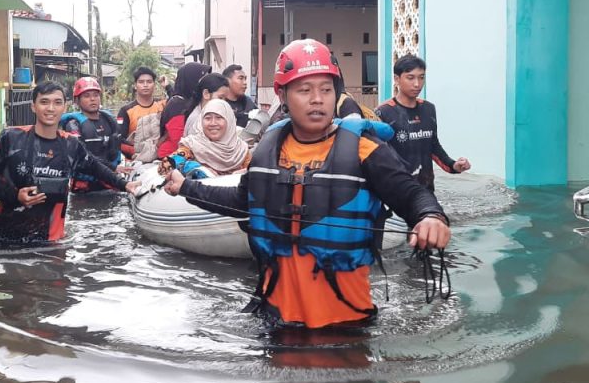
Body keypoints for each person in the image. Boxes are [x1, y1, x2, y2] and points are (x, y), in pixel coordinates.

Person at [164, 39, 450, 329]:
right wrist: (185, 187)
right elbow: (241, 199)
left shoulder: (365, 150)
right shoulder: (266, 152)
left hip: (346, 328)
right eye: (305, 90)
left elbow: (411, 194)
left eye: (326, 90)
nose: (317, 99)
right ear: (283, 95)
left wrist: (431, 217)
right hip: (275, 324)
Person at [0, 81, 139, 245]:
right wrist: (15, 196)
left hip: (51, 241)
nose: (50, 108)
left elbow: (94, 166)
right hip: (4, 238)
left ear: (64, 107)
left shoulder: (70, 144)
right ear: (33, 106)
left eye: (57, 103)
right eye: (44, 102)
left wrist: (125, 184)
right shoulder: (11, 137)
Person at [375, 54, 471, 192]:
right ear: (397, 79)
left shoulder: (428, 109)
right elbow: (376, 158)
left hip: (426, 191)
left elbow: (433, 147)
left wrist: (454, 165)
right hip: (396, 193)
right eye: (410, 77)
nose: (417, 84)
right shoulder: (383, 112)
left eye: (421, 77)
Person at [59, 77, 130, 193]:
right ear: (77, 101)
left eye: (96, 95)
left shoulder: (108, 119)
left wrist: (139, 152)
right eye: (87, 96)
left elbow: (120, 142)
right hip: (86, 188)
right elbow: (82, 156)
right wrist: (113, 168)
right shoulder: (73, 125)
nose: (92, 99)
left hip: (110, 182)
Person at [161, 99, 250, 179]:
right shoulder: (192, 146)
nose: (213, 123)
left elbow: (258, 176)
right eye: (208, 118)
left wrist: (245, 174)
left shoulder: (241, 151)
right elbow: (164, 167)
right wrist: (198, 169)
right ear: (201, 121)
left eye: (219, 118)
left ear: (229, 121)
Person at [157, 62, 210, 159]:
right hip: (172, 158)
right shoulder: (177, 105)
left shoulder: (191, 100)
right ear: (191, 80)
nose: (206, 84)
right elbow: (179, 139)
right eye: (202, 80)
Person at [117, 67, 166, 162]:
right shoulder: (126, 111)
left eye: (149, 82)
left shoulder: (162, 106)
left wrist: (167, 87)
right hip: (136, 160)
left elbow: (178, 106)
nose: (145, 85)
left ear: (154, 85)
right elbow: (119, 140)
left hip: (160, 158)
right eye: (141, 82)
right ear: (135, 86)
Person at [182, 73, 230, 139]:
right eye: (220, 97)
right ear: (206, 94)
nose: (224, 103)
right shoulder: (196, 120)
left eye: (226, 99)